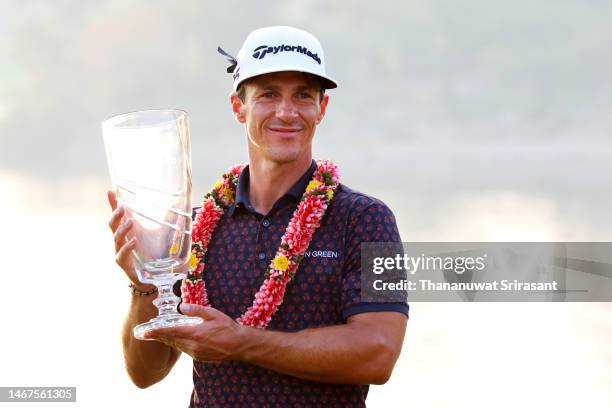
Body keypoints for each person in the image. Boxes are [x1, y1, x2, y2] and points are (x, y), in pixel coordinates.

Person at [107, 26, 408, 407]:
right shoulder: (195, 227)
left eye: (302, 96)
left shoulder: (367, 220)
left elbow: (378, 354)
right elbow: (144, 373)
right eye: (268, 95)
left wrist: (242, 342)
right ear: (239, 108)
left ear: (322, 109)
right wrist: (145, 286)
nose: (287, 111)